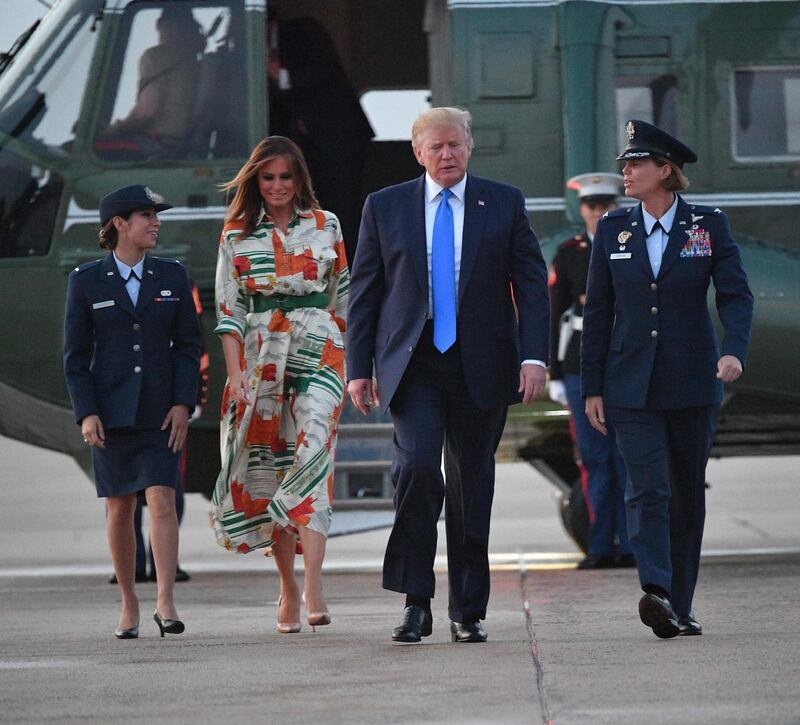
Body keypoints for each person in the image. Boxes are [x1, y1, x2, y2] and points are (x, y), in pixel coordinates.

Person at [346, 107, 550, 644]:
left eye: (455, 144)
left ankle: (468, 609)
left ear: (470, 146)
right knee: (416, 468)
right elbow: (364, 294)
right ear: (417, 152)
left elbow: (531, 285)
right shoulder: (384, 207)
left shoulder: (503, 202)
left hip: (481, 362)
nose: (446, 154)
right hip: (413, 364)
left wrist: (534, 357)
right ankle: (417, 601)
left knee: (471, 483)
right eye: (435, 147)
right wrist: (358, 369)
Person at [581, 120, 753, 638]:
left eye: (636, 163)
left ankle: (680, 602)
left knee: (685, 493)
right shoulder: (613, 229)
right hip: (629, 383)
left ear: (664, 169)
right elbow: (599, 312)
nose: (626, 171)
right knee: (646, 489)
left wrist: (734, 352)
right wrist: (592, 385)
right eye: (625, 164)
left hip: (693, 381)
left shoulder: (708, 224)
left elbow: (735, 295)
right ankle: (655, 589)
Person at [211, 136, 349, 634]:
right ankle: (288, 587)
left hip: (320, 348)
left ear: (299, 179)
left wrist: (350, 359)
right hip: (259, 358)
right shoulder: (235, 235)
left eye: (285, 177)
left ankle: (314, 583)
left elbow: (344, 295)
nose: (276, 186)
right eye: (267, 178)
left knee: (313, 454)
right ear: (255, 181)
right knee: (270, 464)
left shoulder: (325, 224)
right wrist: (237, 377)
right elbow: (229, 312)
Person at [63, 184, 202, 639]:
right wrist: (86, 413)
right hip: (111, 412)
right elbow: (75, 357)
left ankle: (165, 600)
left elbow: (188, 346)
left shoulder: (173, 275)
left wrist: (184, 403)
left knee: (162, 498)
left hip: (161, 412)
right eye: (146, 215)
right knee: (120, 507)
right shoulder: (84, 281)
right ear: (119, 224)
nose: (156, 222)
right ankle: (129, 602)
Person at [549, 173, 633, 570]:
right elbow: (553, 313)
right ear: (582, 209)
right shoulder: (569, 253)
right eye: (592, 206)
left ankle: (633, 545)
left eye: (606, 205)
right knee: (596, 459)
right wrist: (552, 374)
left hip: (627, 360)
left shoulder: (634, 244)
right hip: (581, 363)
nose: (599, 212)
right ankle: (600, 545)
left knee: (628, 458)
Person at [266, 10, 374, 262]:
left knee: (343, 209)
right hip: (304, 149)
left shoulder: (303, 29)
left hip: (339, 139)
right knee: (313, 210)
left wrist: (279, 75)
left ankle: (353, 269)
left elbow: (324, 69)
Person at [98, 5, 205, 159]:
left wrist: (113, 130)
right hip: (182, 145)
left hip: (157, 146)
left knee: (75, 149)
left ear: (159, 24)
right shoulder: (195, 61)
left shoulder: (155, 56)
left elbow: (146, 112)